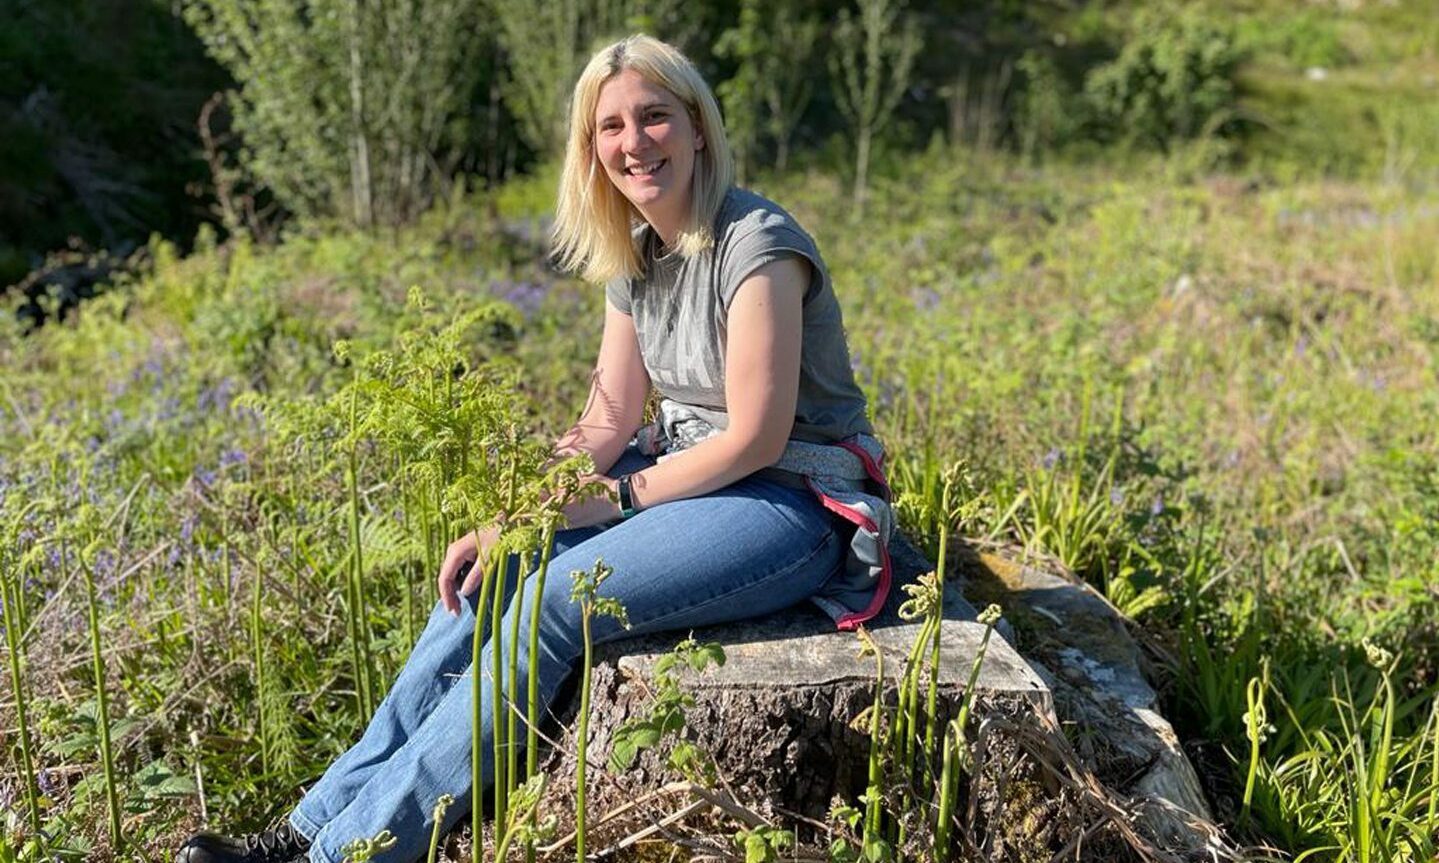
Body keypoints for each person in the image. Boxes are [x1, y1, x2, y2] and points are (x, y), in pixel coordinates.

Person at [177, 33, 892, 863]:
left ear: (698, 126)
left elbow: (755, 436)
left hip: (791, 498)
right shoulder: (635, 248)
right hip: (696, 478)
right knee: (502, 570)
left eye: (654, 116)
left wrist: (616, 498)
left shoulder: (756, 244)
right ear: (591, 149)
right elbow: (607, 418)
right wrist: (512, 513)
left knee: (560, 599)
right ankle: (306, 828)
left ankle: (356, 853)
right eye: (611, 127)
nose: (635, 143)